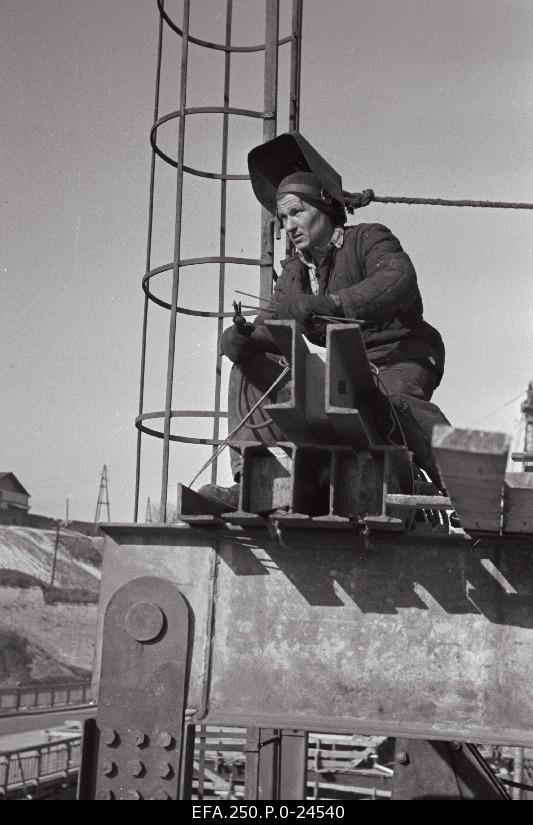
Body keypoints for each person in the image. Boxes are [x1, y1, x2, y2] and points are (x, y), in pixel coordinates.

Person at [199, 132, 449, 510]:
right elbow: (272, 325)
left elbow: (396, 279)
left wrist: (331, 303)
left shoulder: (368, 239)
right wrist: (244, 337)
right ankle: (251, 479)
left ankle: (459, 480)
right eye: (283, 218)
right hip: (348, 371)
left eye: (297, 213)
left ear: (324, 208)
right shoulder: (295, 273)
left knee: (391, 400)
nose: (289, 226)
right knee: (248, 368)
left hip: (403, 356)